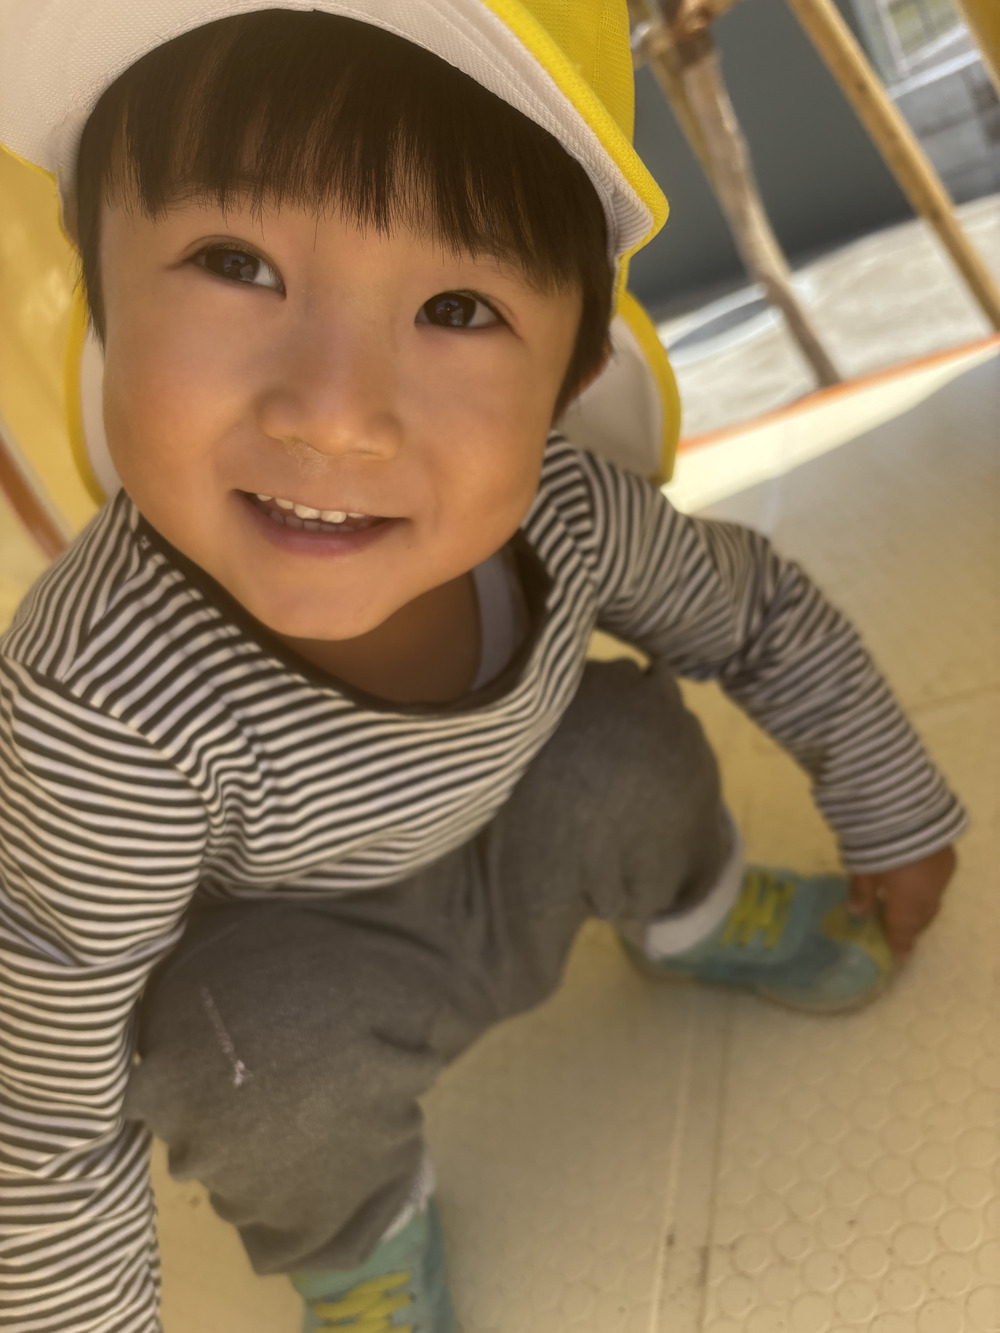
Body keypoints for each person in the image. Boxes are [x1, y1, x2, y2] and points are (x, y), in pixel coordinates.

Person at [0, 4, 965, 1331]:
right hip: (297, 966)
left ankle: (692, 913)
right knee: (243, 1064)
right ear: (97, 276)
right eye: (237, 261)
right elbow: (41, 1094)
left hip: (517, 839)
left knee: (627, 743)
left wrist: (892, 805)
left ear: (568, 379)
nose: (333, 416)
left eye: (456, 308)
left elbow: (757, 618)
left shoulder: (572, 516)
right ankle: (361, 1241)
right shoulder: (95, 704)